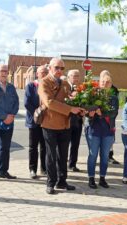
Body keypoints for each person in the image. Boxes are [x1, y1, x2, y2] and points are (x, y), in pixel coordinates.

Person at [38, 58, 83, 194]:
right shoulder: (44, 82)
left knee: (63, 155)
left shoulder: (65, 83)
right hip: (50, 124)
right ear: (50, 68)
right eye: (57, 67)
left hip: (65, 124)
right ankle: (50, 183)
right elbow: (49, 102)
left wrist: (78, 100)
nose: (59, 70)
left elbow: (69, 98)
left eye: (62, 68)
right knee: (51, 155)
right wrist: (70, 109)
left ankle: (62, 181)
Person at [85, 74, 119, 189]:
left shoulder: (114, 98)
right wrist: (89, 114)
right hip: (94, 130)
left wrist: (102, 114)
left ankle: (102, 178)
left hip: (107, 131)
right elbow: (86, 112)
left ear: (111, 84)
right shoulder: (93, 96)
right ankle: (91, 178)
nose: (105, 83)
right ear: (99, 83)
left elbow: (114, 113)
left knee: (104, 156)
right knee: (93, 154)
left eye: (108, 82)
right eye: (103, 81)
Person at [24, 65, 48, 179]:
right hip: (34, 121)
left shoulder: (49, 86)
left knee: (44, 146)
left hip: (46, 121)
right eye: (41, 72)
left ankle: (44, 169)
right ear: (37, 74)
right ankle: (32, 169)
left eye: (45, 72)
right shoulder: (30, 86)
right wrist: (38, 113)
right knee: (33, 147)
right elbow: (27, 103)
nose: (43, 74)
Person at [99, 70, 120, 165]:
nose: (105, 83)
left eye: (107, 78)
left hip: (110, 120)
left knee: (111, 139)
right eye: (103, 78)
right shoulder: (95, 90)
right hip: (99, 120)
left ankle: (110, 156)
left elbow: (114, 106)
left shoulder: (114, 90)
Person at [67, 69, 83, 172]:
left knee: (75, 144)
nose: (76, 78)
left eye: (77, 76)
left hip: (78, 120)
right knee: (64, 144)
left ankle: (72, 164)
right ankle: (61, 163)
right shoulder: (64, 88)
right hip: (66, 120)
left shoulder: (82, 89)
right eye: (73, 76)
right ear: (68, 77)